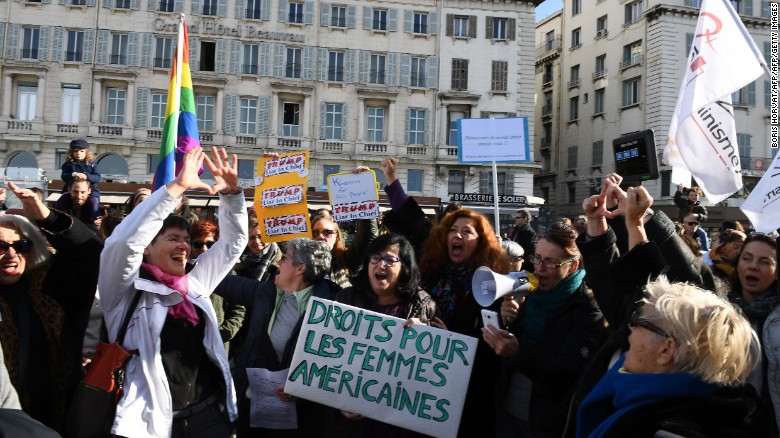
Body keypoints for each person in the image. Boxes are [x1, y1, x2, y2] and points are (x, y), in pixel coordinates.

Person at [99, 147, 247, 438]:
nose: (183, 246)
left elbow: (233, 244)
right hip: (149, 424)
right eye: (172, 239)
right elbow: (123, 244)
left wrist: (231, 195)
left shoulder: (195, 284)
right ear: (148, 248)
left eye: (186, 240)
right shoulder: (125, 291)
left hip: (208, 417)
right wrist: (176, 188)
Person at [379, 156, 510, 436]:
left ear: (480, 241)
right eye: (452, 230)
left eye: (466, 231)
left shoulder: (491, 284)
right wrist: (391, 179)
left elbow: (493, 350)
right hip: (418, 383)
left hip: (464, 396)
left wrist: (451, 339)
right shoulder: (432, 268)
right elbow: (413, 222)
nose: (457, 235)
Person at [576, 276, 770, 437]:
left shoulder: (662, 429)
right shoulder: (732, 407)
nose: (631, 328)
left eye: (638, 320)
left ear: (666, 350)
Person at [483, 220, 606, 437]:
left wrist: (518, 351)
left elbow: (569, 370)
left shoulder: (587, 310)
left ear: (573, 266)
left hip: (547, 423)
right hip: (507, 411)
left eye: (550, 262)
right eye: (537, 258)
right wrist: (508, 321)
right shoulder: (530, 294)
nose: (539, 268)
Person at [0, 182, 103, 432]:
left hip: (60, 414)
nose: (12, 254)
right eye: (1, 247)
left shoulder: (52, 283)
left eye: (21, 245)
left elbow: (91, 253)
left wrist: (48, 218)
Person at [213, 238, 337, 437]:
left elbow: (337, 364)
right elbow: (221, 282)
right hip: (253, 406)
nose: (278, 262)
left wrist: (302, 388)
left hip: (300, 417)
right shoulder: (266, 292)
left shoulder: (333, 304)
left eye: (285, 258)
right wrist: (187, 269)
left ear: (300, 268)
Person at [335, 233, 438, 435]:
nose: (381, 265)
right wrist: (337, 401)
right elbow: (327, 358)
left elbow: (436, 372)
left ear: (405, 267)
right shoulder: (346, 298)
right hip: (352, 425)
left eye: (390, 259)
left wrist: (428, 338)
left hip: (398, 426)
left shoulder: (424, 306)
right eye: (375, 258)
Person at [189, 220, 246, 356]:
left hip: (217, 348)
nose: (204, 249)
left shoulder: (227, 273)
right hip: (187, 346)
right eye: (198, 244)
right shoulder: (180, 271)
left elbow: (238, 311)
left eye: (210, 244)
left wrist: (221, 334)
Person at [310, 207, 378, 289]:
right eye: (315, 233)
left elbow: (367, 237)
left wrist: (364, 205)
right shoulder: (303, 264)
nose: (320, 236)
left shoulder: (346, 259)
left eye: (327, 232)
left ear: (336, 237)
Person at [234, 215, 281, 282]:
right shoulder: (236, 265)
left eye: (260, 236)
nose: (257, 241)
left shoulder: (283, 264)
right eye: (251, 238)